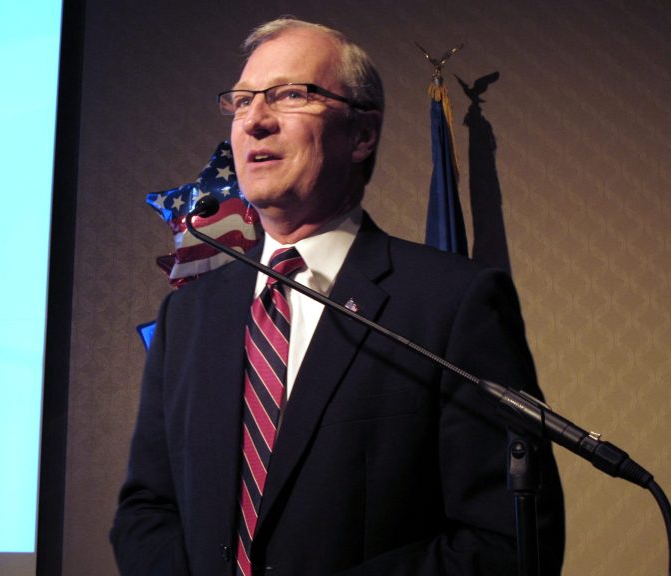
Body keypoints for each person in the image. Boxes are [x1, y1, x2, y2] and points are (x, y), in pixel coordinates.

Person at [111, 17, 565, 576]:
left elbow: (509, 542)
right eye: (242, 100)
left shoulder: (453, 303)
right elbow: (148, 508)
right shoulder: (188, 315)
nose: (254, 120)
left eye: (290, 95)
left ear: (362, 135)